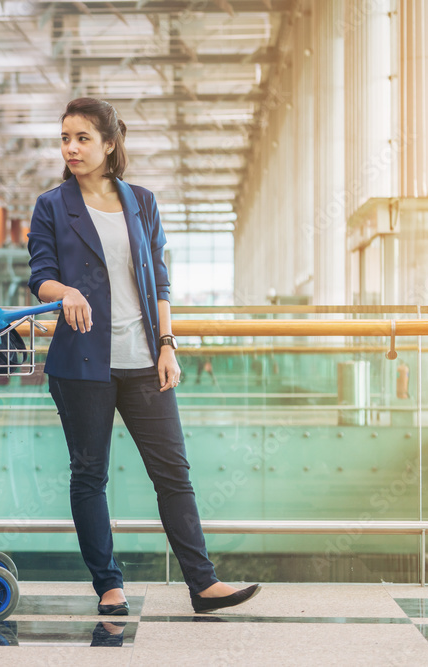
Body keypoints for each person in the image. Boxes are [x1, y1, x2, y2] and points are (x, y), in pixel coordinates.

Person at [26, 97, 260, 615]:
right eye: (65, 138)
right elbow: (39, 274)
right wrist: (64, 291)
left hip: (144, 361)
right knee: (90, 476)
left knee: (173, 473)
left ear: (110, 144)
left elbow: (159, 281)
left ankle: (203, 583)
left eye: (83, 138)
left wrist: (167, 345)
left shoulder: (141, 202)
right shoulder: (52, 205)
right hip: (81, 364)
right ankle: (108, 584)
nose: (71, 148)